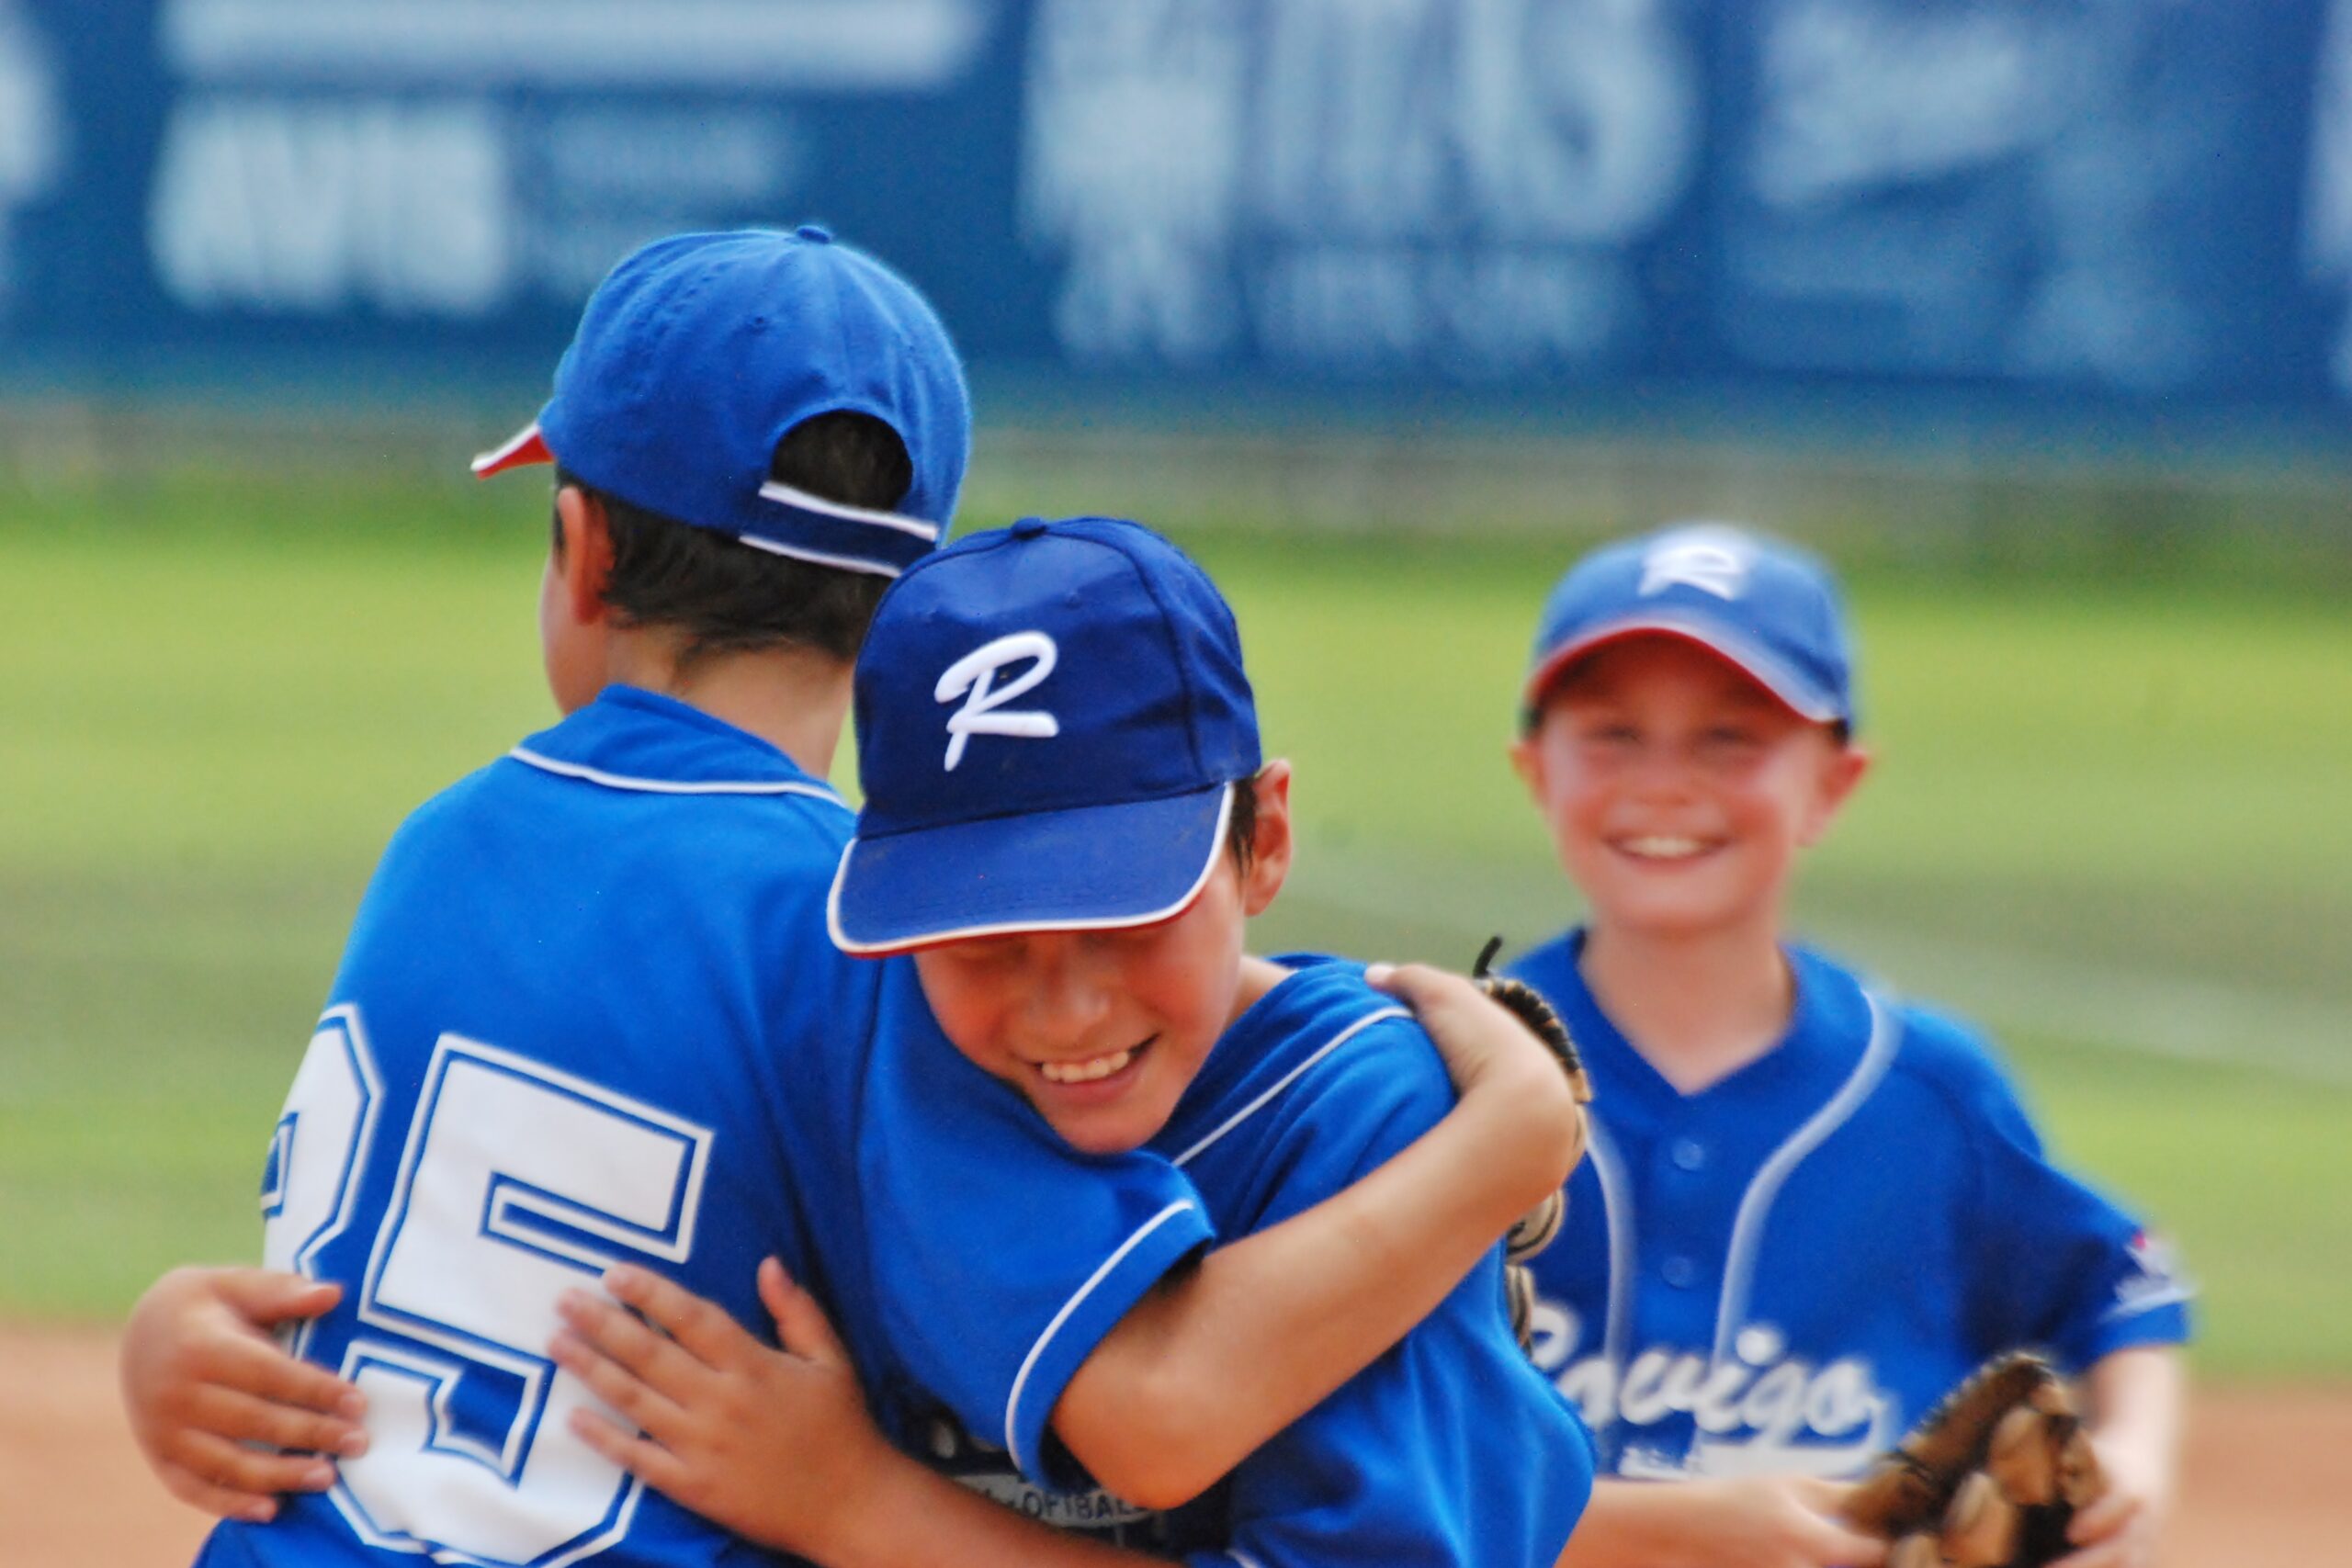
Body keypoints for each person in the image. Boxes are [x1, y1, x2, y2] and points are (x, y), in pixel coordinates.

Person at [119, 227, 1586, 1568]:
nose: (1045, 977)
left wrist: (156, 1343)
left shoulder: (439, 844)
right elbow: (1157, 1412)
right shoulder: (862, 935)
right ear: (911, 622)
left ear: (582, 549)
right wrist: (1504, 1141)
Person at [547, 514, 1599, 1567]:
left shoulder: (1361, 1113)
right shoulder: (885, 1032)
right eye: (980, 941)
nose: (1063, 1010)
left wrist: (861, 1510)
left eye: (1124, 921)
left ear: (1264, 843)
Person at [1498, 522, 2193, 1568]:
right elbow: (1377, 1465)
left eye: (1730, 738)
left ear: (1833, 783)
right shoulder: (1455, 1082)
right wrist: (1685, 1528)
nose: (1666, 781)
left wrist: (2133, 1466)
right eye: (1612, 733)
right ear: (1533, 769)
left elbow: (2124, 1286)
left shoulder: (1929, 1093)